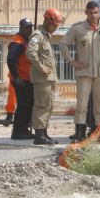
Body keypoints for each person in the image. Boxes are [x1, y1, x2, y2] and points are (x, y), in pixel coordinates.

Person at [61, 0, 100, 142]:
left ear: (99, 12)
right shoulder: (78, 28)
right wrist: (71, 61)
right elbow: (63, 44)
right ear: (86, 13)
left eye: (95, 12)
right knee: (82, 104)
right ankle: (79, 132)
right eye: (90, 13)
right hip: (84, 73)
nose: (93, 15)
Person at [27, 8, 65, 145]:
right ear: (47, 21)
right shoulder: (37, 35)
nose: (55, 29)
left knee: (48, 105)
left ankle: (44, 132)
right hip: (42, 78)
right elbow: (31, 53)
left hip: (48, 79)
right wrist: (41, 68)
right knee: (42, 105)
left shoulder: (46, 36)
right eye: (54, 25)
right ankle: (39, 135)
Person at [6, 18, 35, 140]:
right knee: (23, 106)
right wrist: (17, 77)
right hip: (21, 80)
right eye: (27, 28)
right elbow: (10, 60)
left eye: (30, 28)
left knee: (28, 105)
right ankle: (18, 131)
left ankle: (24, 130)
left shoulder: (25, 40)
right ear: (21, 28)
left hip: (27, 78)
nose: (29, 30)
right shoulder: (17, 43)